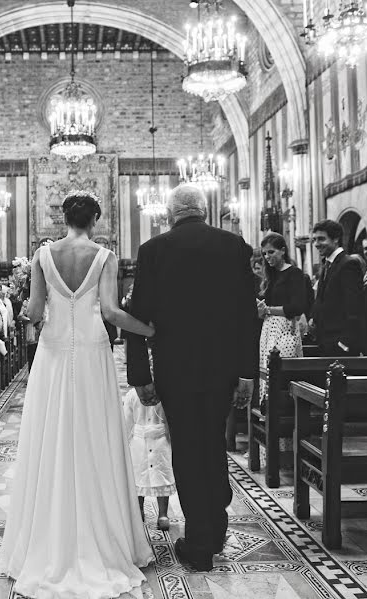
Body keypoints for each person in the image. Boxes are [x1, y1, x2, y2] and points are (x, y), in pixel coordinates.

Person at [0, 191, 155, 597]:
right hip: (90, 352)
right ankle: (101, 534)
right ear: (96, 219)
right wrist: (154, 331)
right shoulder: (105, 256)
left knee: (51, 435)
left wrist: (22, 312)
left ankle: (46, 535)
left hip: (52, 351)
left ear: (62, 217)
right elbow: (111, 312)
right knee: (93, 435)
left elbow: (32, 313)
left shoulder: (42, 256)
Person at [127, 184, 257, 572]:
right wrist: (248, 373)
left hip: (175, 367)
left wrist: (139, 374)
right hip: (222, 367)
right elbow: (247, 315)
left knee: (186, 448)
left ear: (170, 215)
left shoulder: (153, 251)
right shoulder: (234, 246)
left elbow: (137, 317)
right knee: (213, 444)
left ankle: (201, 545)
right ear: (205, 210)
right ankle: (214, 525)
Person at [255, 232, 306, 405]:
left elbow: (296, 307)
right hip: (268, 328)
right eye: (264, 254)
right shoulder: (271, 276)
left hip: (286, 328)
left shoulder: (294, 273)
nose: (267, 257)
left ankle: (283, 410)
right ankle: (267, 409)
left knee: (280, 370)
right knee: (266, 369)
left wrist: (268, 310)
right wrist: (261, 310)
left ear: (282, 250)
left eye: (271, 252)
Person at [122, 386, 174, 532]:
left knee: (162, 477)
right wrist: (125, 441)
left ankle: (163, 514)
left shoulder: (165, 392)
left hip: (160, 439)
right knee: (138, 478)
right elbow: (127, 420)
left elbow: (171, 417)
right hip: (139, 440)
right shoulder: (132, 395)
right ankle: (139, 511)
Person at [310, 219, 363, 356]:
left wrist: (345, 343)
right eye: (314, 240)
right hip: (326, 339)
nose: (316, 244)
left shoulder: (348, 264)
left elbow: (354, 305)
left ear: (335, 239)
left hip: (340, 342)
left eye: (321, 239)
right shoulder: (328, 263)